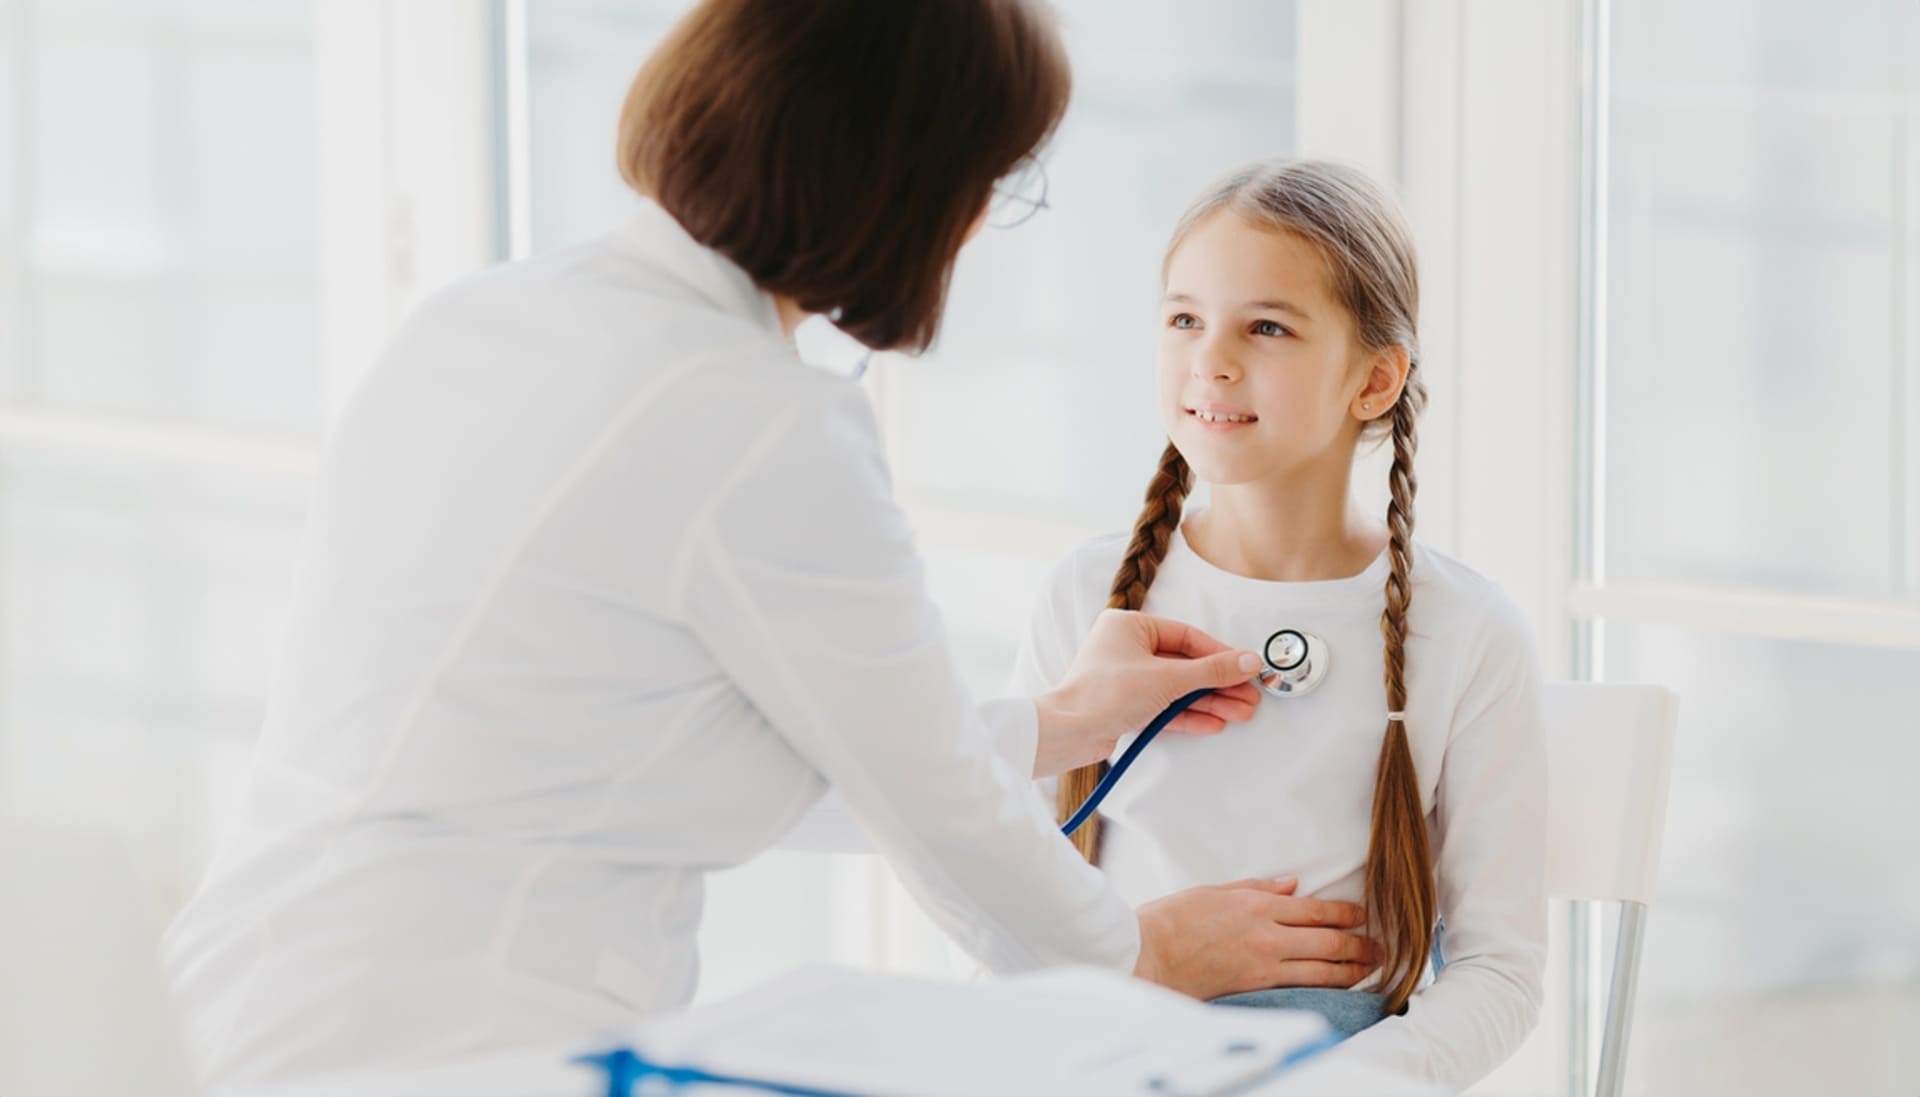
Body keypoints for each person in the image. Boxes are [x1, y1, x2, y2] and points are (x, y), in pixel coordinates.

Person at [164, 5, 1380, 1087]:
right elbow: (934, 807)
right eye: (986, 184)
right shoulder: (757, 424)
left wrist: (1060, 721)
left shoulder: (488, 317)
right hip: (463, 1035)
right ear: (905, 182)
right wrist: (1141, 950)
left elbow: (687, 731)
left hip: (257, 988)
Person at [1019, 160, 1548, 1088]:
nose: (1210, 360)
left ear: (1376, 380)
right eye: (1185, 318)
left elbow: (1500, 974)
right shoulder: (1086, 596)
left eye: (1266, 326)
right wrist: (1140, 959)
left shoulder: (1466, 631)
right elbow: (1003, 913)